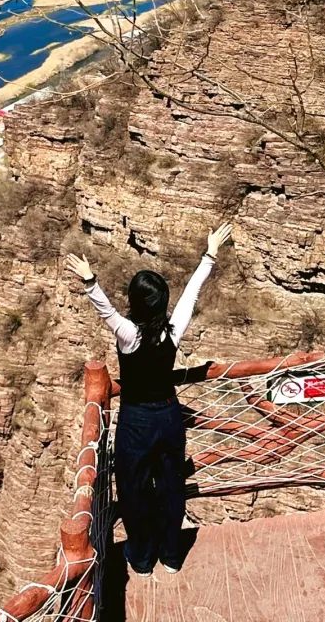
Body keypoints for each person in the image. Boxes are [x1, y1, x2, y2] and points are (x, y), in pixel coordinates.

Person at [64, 222, 232, 576]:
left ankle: (141, 558)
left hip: (137, 421)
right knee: (171, 486)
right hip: (169, 416)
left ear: (136, 302)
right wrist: (210, 254)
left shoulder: (129, 335)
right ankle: (171, 555)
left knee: (134, 488)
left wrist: (90, 280)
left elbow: (106, 312)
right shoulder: (173, 331)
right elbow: (191, 295)